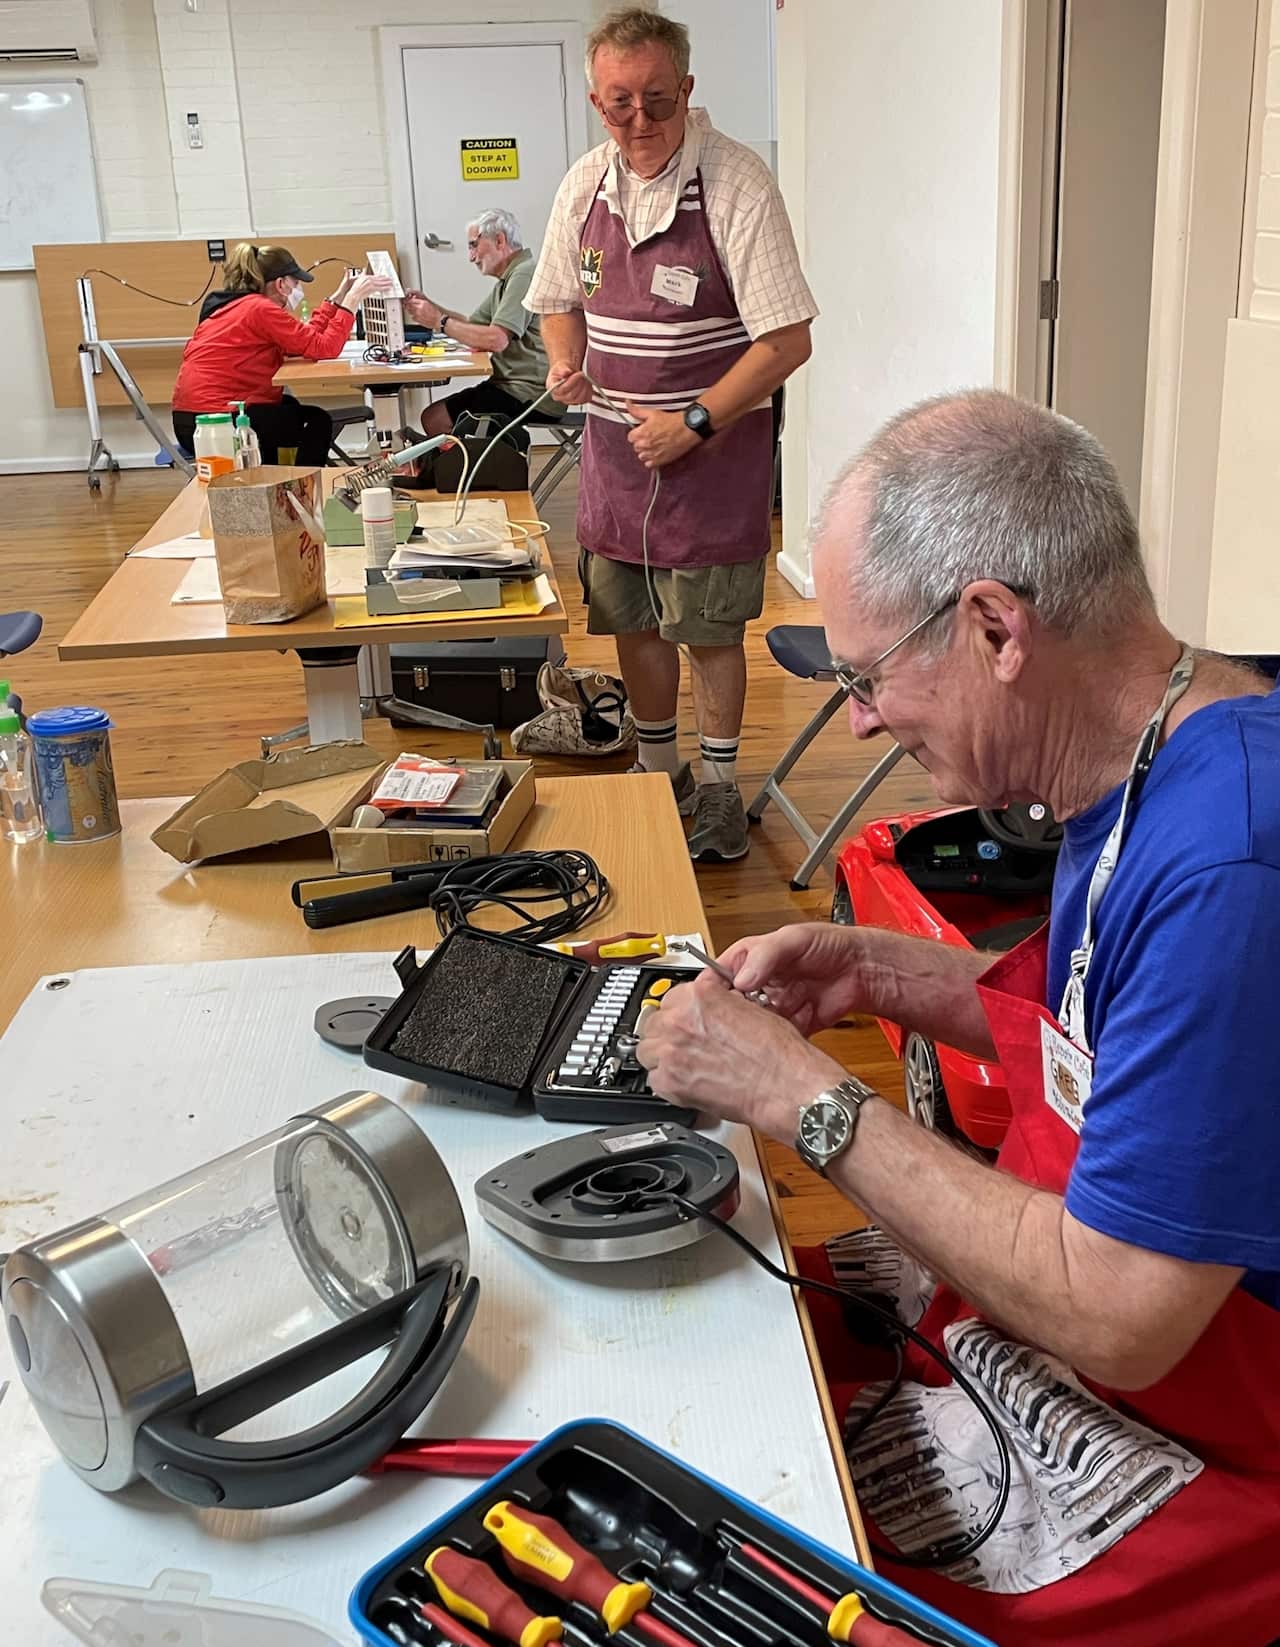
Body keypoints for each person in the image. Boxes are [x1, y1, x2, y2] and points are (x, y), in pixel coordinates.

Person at [636, 390, 1280, 1645]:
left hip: (1200, 1414)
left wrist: (799, 1099)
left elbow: (1124, 1318)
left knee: (739, 1563)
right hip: (1081, 1322)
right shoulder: (1150, 760)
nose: (862, 717)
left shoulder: (1230, 868)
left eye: (868, 677)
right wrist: (875, 973)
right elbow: (1110, 1044)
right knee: (702, 1341)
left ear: (993, 625)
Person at [525, 7, 816, 862]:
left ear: (687, 90)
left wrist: (694, 423)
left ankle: (719, 789)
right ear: (595, 101)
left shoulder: (734, 183)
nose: (641, 122)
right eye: (620, 105)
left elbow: (787, 340)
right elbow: (554, 303)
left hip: (712, 453)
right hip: (616, 457)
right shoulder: (583, 185)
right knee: (634, 620)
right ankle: (660, 776)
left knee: (708, 628)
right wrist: (564, 364)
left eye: (658, 100)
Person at [172, 243, 389, 467]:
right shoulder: (260, 309)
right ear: (281, 284)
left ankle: (277, 481)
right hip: (217, 424)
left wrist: (340, 296)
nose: (297, 288)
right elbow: (325, 347)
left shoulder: (235, 306)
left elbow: (306, 340)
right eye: (295, 282)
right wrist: (353, 299)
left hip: (191, 419)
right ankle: (301, 488)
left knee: (288, 406)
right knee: (317, 421)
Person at [405, 209, 564, 446]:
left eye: (473, 246)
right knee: (434, 417)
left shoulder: (524, 275)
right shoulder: (511, 276)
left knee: (436, 419)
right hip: (513, 385)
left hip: (530, 393)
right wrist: (431, 308)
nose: (471, 257)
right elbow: (473, 326)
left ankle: (473, 477)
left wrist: (439, 321)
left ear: (499, 240)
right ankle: (469, 472)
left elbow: (497, 340)